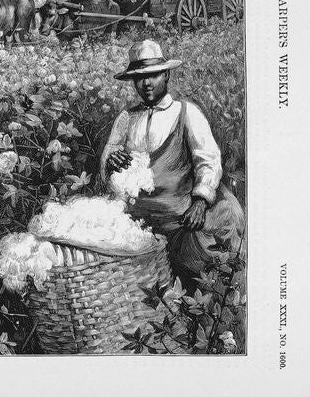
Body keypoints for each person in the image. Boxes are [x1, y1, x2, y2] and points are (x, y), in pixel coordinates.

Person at [101, 39, 245, 290]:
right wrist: (109, 160)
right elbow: (108, 157)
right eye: (140, 78)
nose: (146, 83)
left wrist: (200, 201)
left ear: (166, 74)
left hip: (178, 216)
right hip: (138, 219)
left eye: (153, 75)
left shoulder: (185, 112)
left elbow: (208, 159)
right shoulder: (126, 119)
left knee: (198, 272)